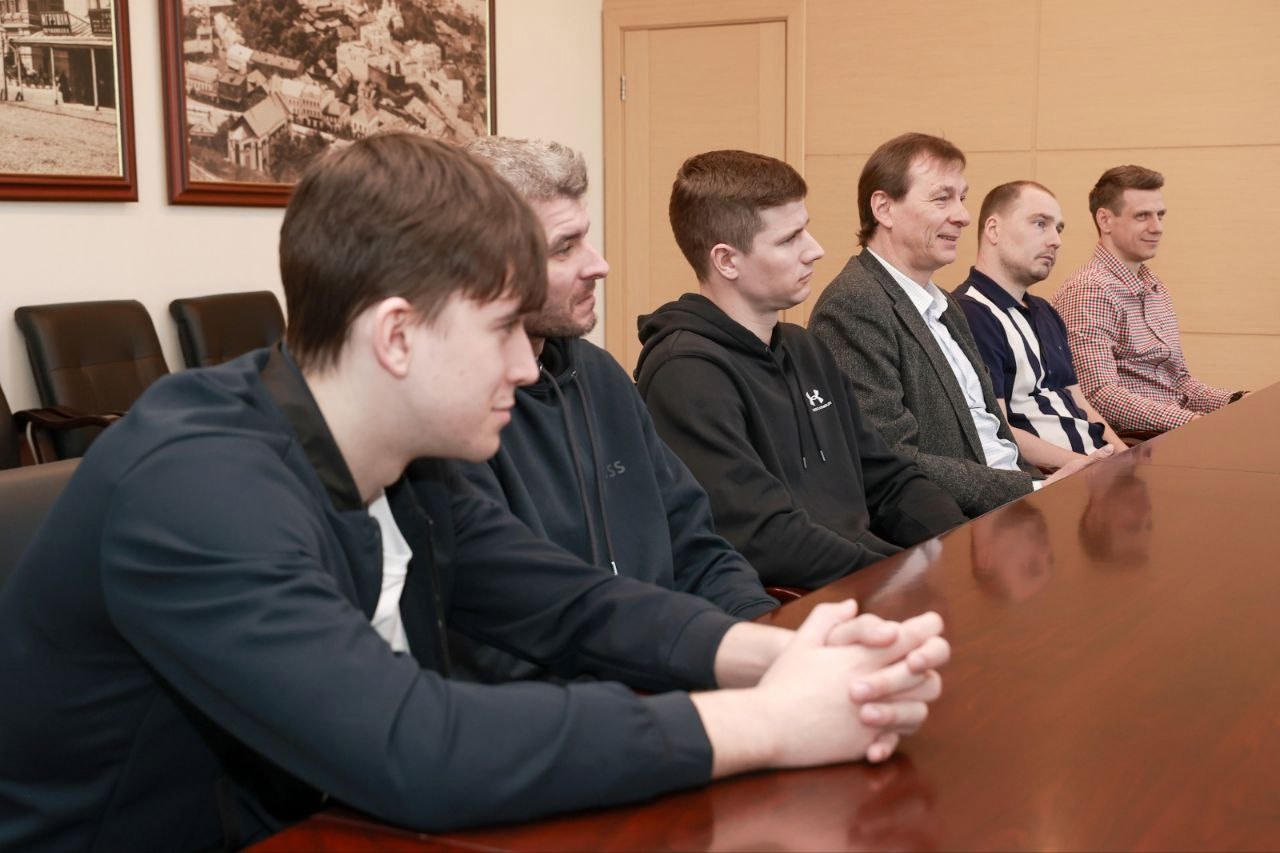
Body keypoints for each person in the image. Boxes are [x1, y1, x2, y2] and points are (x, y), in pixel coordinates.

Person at [0, 133, 949, 851]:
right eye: (503, 331)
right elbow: (413, 742)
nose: (529, 369)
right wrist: (771, 721)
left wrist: (777, 653)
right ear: (397, 336)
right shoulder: (198, 486)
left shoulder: (397, 457)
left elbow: (566, 601)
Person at [452, 138, 775, 681]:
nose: (599, 265)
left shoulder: (599, 375)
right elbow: (507, 648)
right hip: (604, 705)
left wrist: (764, 632)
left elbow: (695, 546)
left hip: (672, 673)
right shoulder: (453, 418)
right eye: (564, 248)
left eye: (586, 238)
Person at [634, 149, 966, 589]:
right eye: (790, 239)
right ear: (727, 261)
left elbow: (888, 478)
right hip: (795, 601)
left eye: (805, 229)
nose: (815, 250)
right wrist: (901, 577)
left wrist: (961, 545)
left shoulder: (803, 348)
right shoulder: (685, 374)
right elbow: (765, 537)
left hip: (863, 578)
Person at [809, 132, 1105, 517]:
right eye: (941, 198)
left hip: (1016, 495)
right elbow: (891, 458)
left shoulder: (943, 303)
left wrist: (1046, 483)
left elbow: (992, 435)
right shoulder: (855, 304)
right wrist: (1034, 488)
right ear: (884, 208)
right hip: (960, 519)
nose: (963, 216)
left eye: (962, 198)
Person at [1052, 165, 1245, 434]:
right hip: (1133, 443)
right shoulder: (1089, 290)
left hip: (1173, 432)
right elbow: (1098, 394)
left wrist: (1237, 401)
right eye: (1142, 216)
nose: (1157, 228)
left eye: (1160, 215)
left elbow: (1179, 382)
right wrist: (1192, 423)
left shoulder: (1155, 287)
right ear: (1105, 220)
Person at [953, 180, 1126, 471]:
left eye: (1058, 229)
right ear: (993, 230)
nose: (1056, 241)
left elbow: (1080, 404)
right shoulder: (970, 313)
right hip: (1051, 478)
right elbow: (996, 431)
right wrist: (1087, 466)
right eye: (1040, 224)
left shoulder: (1045, 311)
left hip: (1094, 465)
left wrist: (1126, 459)